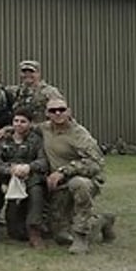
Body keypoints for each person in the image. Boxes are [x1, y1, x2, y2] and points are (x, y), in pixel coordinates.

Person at [39, 98, 115, 254]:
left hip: (82, 179)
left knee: (79, 184)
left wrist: (64, 171)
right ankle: (102, 220)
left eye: (62, 109)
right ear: (47, 114)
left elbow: (96, 163)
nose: (58, 113)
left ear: (69, 111)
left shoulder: (80, 135)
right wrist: (6, 130)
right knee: (60, 235)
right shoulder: (45, 129)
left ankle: (82, 236)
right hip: (58, 185)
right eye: (53, 111)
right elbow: (24, 128)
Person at [0, 108, 48, 246]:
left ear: (30, 124)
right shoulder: (3, 139)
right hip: (7, 178)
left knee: (36, 189)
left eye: (23, 121)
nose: (19, 124)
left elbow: (43, 161)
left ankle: (34, 230)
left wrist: (28, 167)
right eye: (16, 121)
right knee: (15, 233)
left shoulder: (36, 140)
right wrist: (10, 169)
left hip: (30, 177)